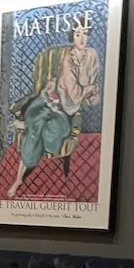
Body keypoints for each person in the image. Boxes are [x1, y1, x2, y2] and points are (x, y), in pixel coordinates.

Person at [7, 21, 101, 197]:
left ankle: (24, 125)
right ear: (72, 37)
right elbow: (75, 93)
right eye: (77, 34)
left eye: (85, 33)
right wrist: (88, 89)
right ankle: (18, 179)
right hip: (50, 100)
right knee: (36, 128)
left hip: (66, 111)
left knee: (50, 132)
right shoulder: (67, 58)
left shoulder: (93, 56)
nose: (82, 38)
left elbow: (94, 93)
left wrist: (88, 91)